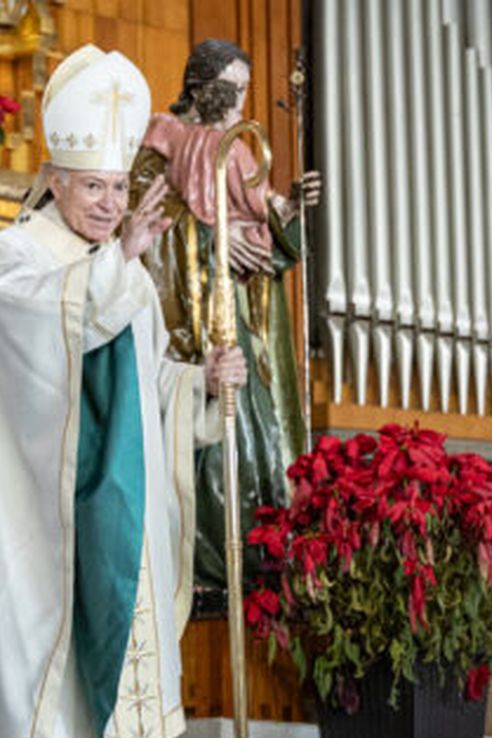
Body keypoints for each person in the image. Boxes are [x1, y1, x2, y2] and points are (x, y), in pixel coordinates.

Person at [0, 45, 247, 738]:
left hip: (116, 517)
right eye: (93, 187)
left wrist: (197, 387)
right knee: (44, 672)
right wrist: (122, 260)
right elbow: (50, 356)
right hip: (37, 527)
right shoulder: (15, 257)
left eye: (117, 189)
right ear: (57, 182)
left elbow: (137, 391)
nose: (109, 204)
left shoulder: (124, 276)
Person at [130, 39, 320, 598]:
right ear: (198, 88)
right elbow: (146, 223)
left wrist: (289, 211)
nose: (240, 104)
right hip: (195, 326)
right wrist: (211, 239)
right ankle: (213, 558)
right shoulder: (157, 144)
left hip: (246, 317)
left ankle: (261, 557)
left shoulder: (237, 148)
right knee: (216, 446)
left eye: (243, 91)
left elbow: (261, 236)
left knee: (262, 433)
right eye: (230, 91)